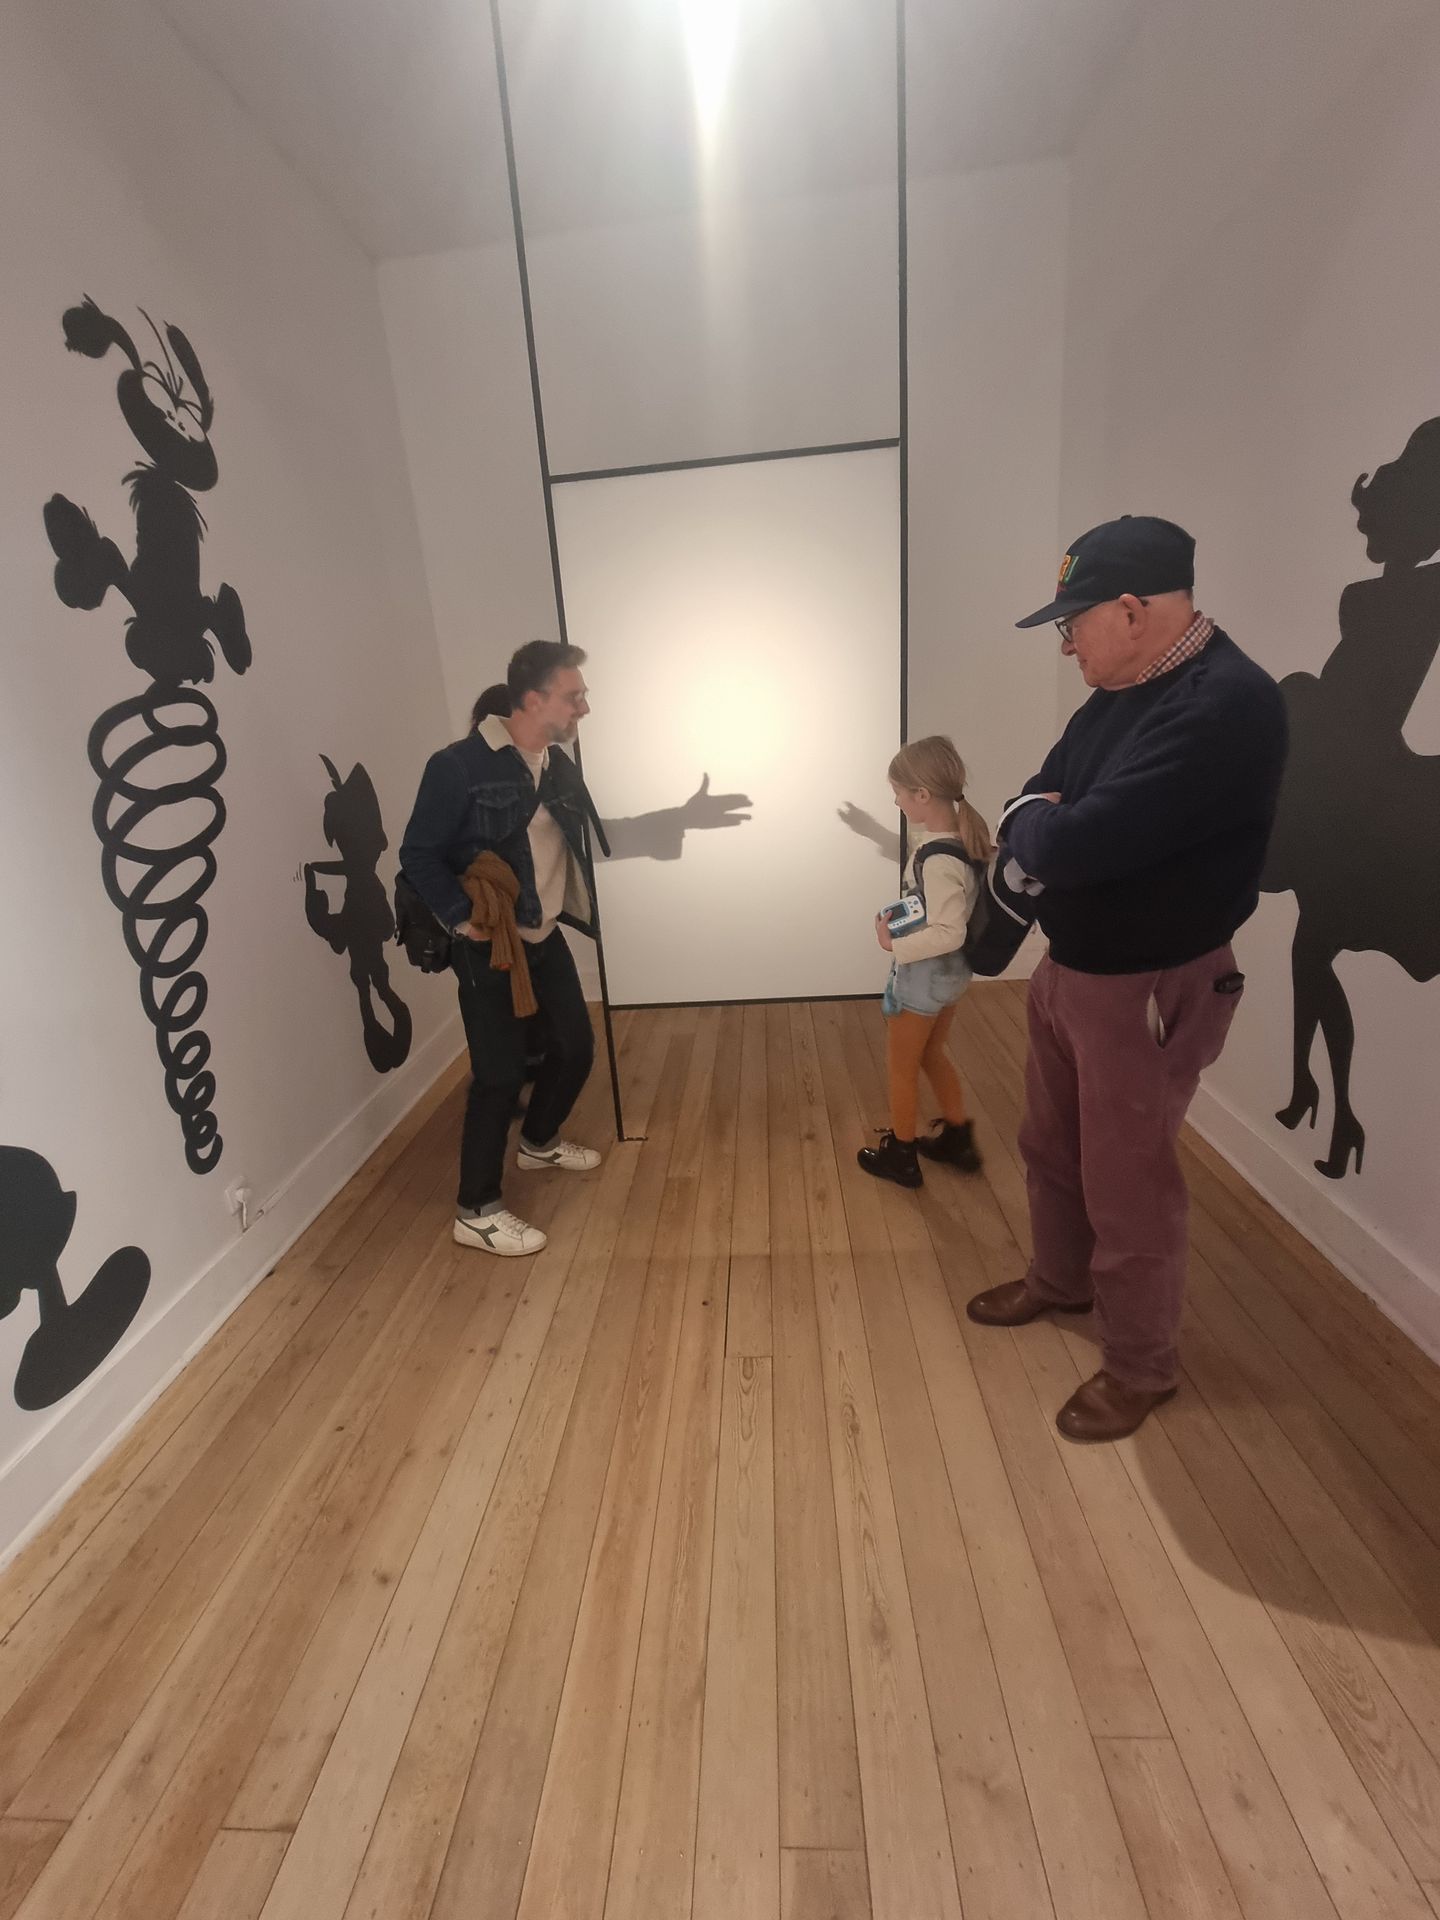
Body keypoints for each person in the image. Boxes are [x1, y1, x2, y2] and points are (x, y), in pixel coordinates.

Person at [966, 516, 1287, 1442]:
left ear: (1134, 611)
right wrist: (1045, 819)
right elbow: (1043, 793)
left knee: (1128, 1181)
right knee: (1050, 1144)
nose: (1067, 645)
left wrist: (1039, 823)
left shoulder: (1225, 704)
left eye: (1074, 624)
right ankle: (1061, 1280)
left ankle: (1142, 1365)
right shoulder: (1120, 693)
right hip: (1075, 967)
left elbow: (1070, 838)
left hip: (1148, 983)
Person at [400, 641, 605, 1257]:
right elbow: (418, 854)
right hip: (490, 943)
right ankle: (477, 1210)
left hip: (543, 933)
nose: (584, 708)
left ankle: (538, 1142)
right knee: (499, 1075)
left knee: (575, 1047)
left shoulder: (554, 763)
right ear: (533, 699)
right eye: (573, 697)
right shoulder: (458, 766)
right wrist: (464, 921)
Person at [858, 736, 990, 1189]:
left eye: (897, 792)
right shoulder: (960, 840)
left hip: (924, 980)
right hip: (951, 978)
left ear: (921, 795)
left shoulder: (937, 860)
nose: (894, 800)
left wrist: (893, 946)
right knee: (932, 1054)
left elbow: (949, 931)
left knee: (901, 1067)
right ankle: (957, 1138)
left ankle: (902, 1156)